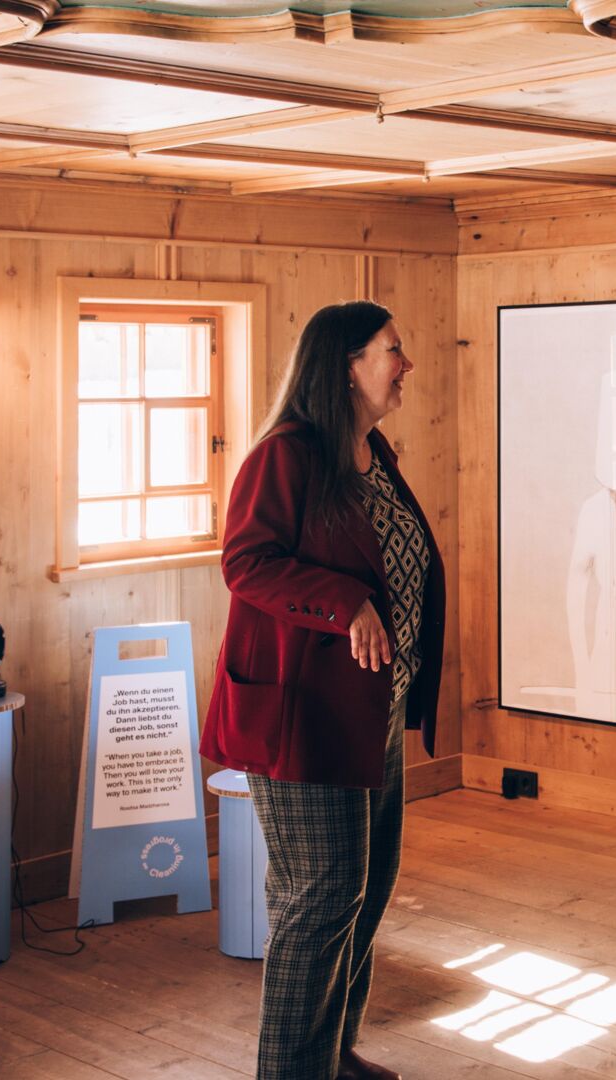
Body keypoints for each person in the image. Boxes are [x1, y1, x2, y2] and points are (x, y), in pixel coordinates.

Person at [201, 301, 446, 1080]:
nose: (406, 364)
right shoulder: (287, 456)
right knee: (320, 899)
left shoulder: (372, 451)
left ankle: (332, 1058)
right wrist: (348, 604)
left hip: (371, 711)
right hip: (303, 719)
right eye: (393, 350)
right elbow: (246, 562)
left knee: (364, 894)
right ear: (347, 366)